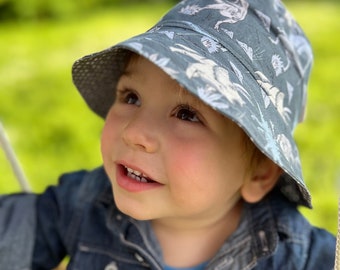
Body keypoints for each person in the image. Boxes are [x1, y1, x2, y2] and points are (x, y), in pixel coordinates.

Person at [0, 0, 336, 269]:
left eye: (188, 115)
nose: (135, 133)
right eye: (131, 97)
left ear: (260, 173)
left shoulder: (298, 256)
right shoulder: (83, 202)